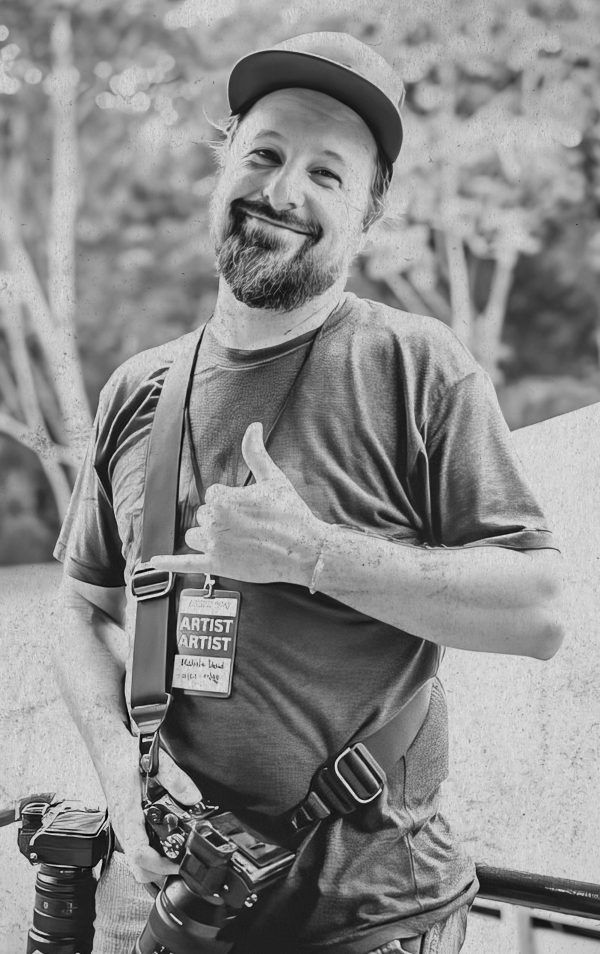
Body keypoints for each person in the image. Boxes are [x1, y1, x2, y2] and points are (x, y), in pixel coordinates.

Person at [52, 32, 564, 954]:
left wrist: (311, 555)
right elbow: (83, 608)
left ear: (368, 217)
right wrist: (123, 793)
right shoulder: (140, 390)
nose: (284, 192)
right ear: (223, 172)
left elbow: (538, 611)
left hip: (374, 922)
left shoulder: (419, 367)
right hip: (168, 912)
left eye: (329, 175)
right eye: (265, 154)